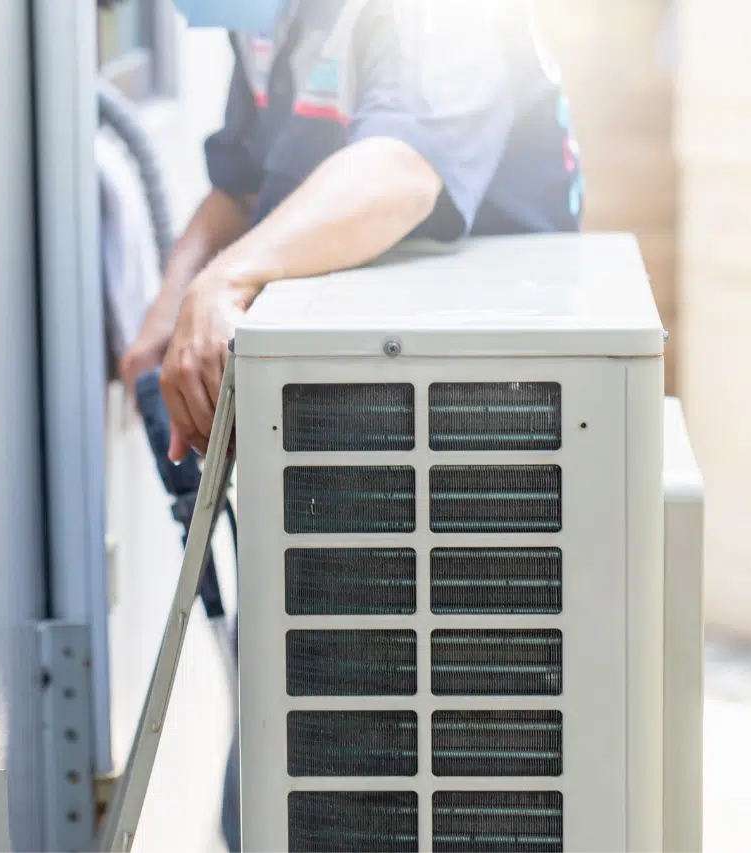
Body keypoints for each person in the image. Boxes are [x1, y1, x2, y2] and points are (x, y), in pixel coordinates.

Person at [118, 0, 584, 847]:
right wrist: (172, 298)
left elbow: (403, 170)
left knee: (438, 770)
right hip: (331, 445)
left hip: (473, 460)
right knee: (288, 757)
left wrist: (224, 282)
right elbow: (243, 186)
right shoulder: (267, 18)